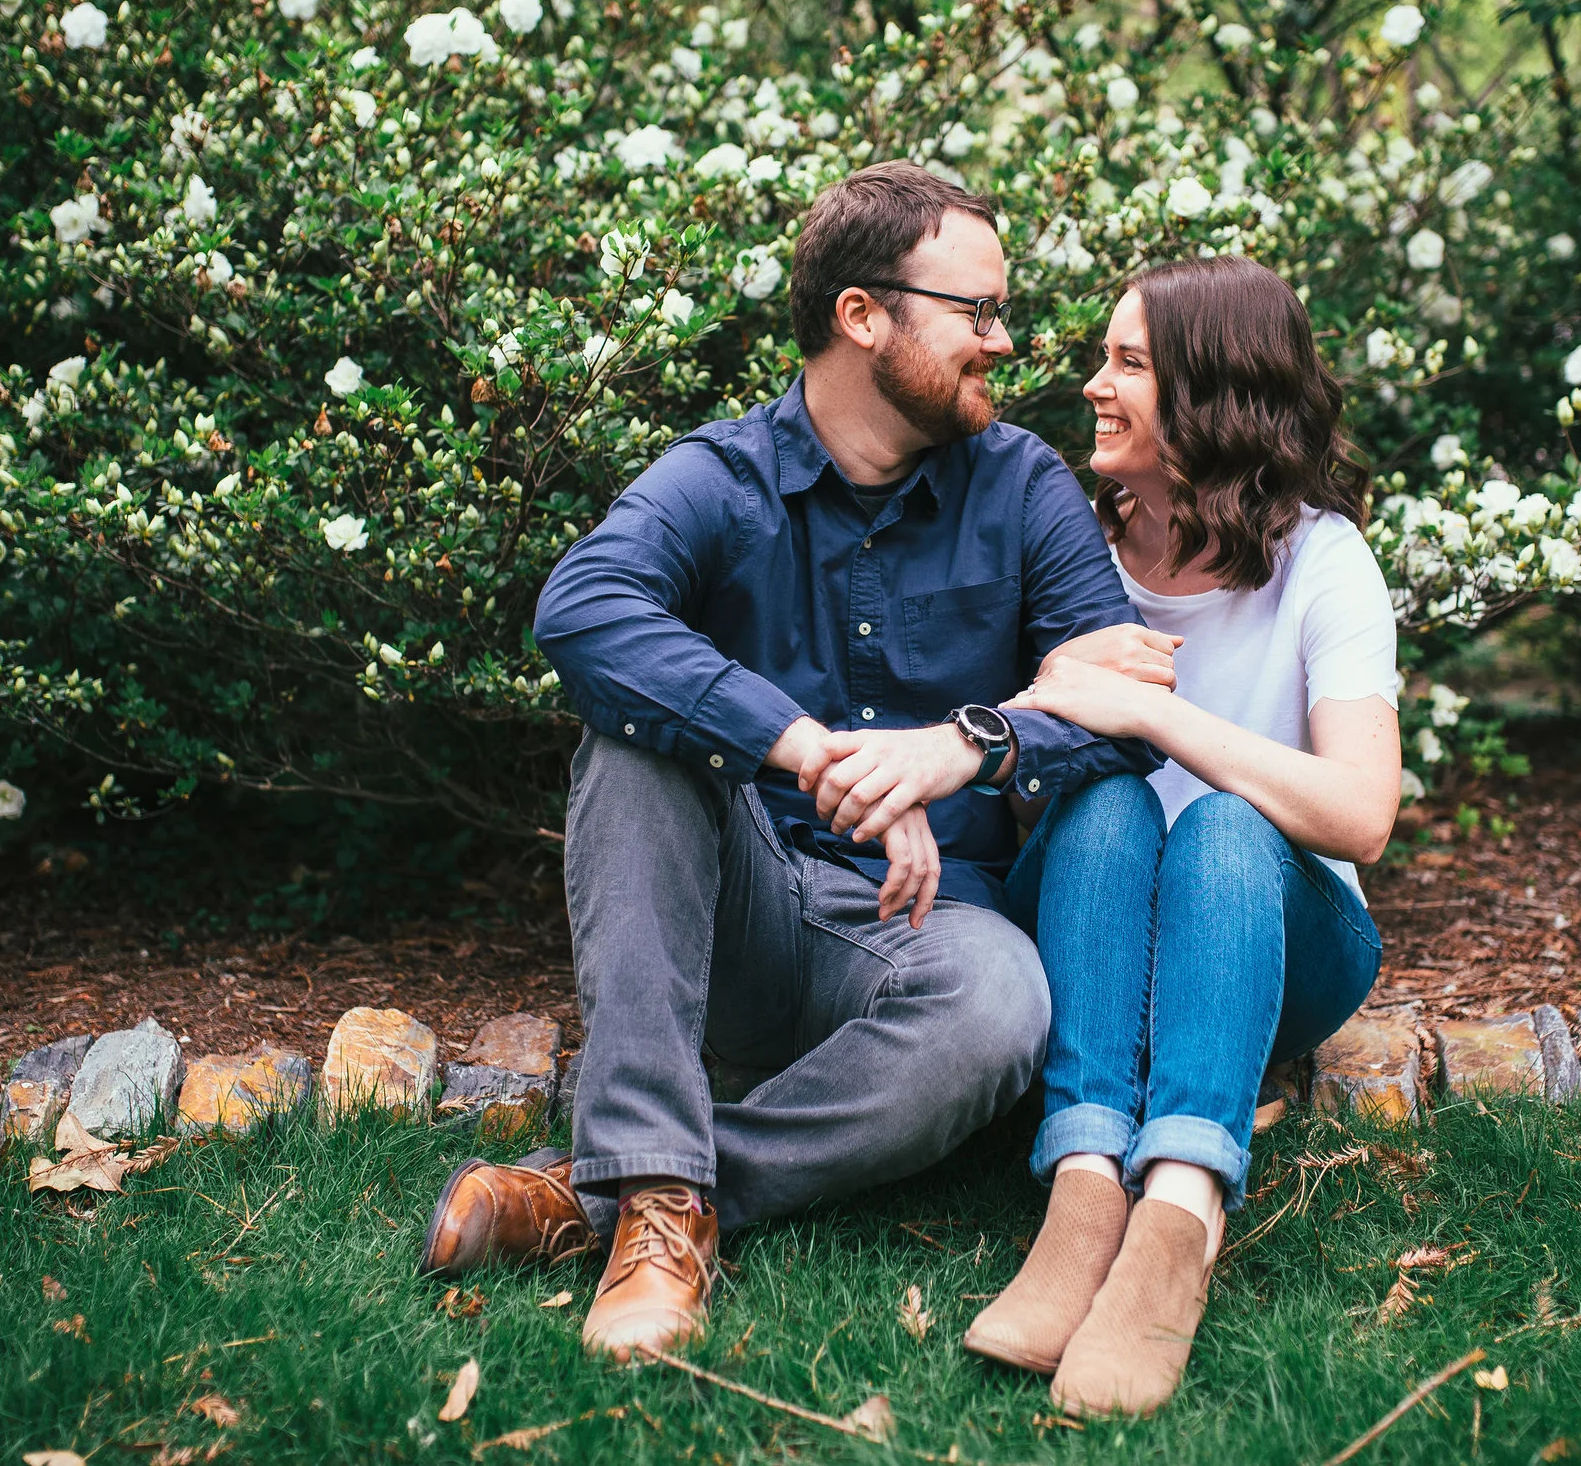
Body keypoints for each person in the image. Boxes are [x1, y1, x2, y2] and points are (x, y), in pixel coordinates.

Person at [416, 162, 1162, 1363]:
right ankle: (657, 1196)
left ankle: (617, 1197)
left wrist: (956, 748)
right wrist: (803, 746)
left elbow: (1123, 705)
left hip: (925, 938)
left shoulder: (1021, 484)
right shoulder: (723, 477)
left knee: (1003, 1007)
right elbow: (582, 608)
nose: (1002, 341)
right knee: (633, 736)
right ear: (863, 315)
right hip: (743, 920)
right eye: (976, 312)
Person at [960, 255, 1402, 1417]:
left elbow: (1361, 812)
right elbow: (1010, 798)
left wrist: (1156, 711)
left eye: (1130, 364)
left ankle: (1182, 1209)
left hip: (1272, 936)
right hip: (1096, 934)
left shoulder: (1324, 562)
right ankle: (1086, 1185)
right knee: (1100, 806)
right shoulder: (1064, 543)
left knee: (1219, 824)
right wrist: (1043, 707)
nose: (1092, 384)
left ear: (1214, 395)